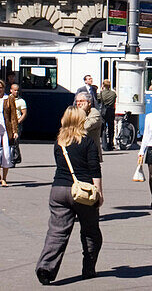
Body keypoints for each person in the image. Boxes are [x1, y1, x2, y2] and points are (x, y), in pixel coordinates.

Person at [35, 106, 103, 285]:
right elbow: (94, 169)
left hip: (58, 190)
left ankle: (46, 268)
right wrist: (99, 193)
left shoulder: (59, 141)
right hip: (83, 191)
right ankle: (88, 268)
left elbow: (60, 165)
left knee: (57, 232)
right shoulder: (88, 142)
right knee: (91, 232)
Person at [75, 89, 103, 162]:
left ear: (89, 103)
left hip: (90, 154)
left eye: (81, 101)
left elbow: (85, 127)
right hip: (76, 153)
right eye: (77, 101)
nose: (78, 104)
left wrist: (82, 112)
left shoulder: (94, 113)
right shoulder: (75, 112)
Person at [97, 80, 117, 152]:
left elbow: (98, 99)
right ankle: (111, 144)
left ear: (103, 85)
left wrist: (101, 91)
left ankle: (104, 145)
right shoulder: (113, 93)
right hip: (111, 111)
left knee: (103, 128)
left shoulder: (102, 93)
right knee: (111, 128)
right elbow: (114, 99)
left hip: (103, 111)